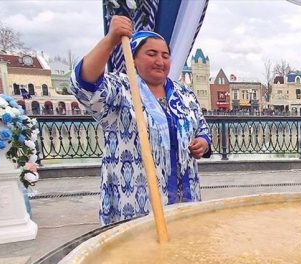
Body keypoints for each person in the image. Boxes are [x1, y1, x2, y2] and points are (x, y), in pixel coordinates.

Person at [70, 16, 211, 225]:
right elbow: (84, 85)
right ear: (134, 59)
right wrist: (110, 40)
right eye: (151, 54)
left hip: (184, 193)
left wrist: (203, 142)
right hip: (136, 198)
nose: (160, 61)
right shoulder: (121, 88)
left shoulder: (183, 93)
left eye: (165, 55)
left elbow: (201, 126)